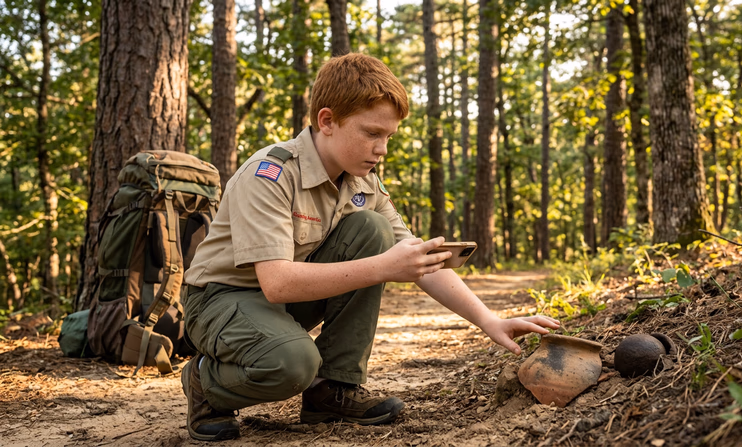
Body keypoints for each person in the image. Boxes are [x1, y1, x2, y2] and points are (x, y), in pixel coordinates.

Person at [181, 53, 560, 442]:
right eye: (371, 133)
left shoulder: (363, 183)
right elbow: (278, 283)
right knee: (293, 364)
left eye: (388, 137)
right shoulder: (272, 174)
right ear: (327, 121)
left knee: (372, 229)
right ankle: (205, 383)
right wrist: (383, 267)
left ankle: (332, 389)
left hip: (278, 304)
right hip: (219, 300)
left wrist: (489, 321)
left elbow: (415, 257)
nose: (382, 149)